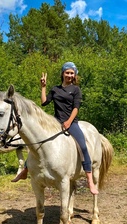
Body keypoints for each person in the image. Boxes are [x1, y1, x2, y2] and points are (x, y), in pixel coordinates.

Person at [12, 62, 98, 195]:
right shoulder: (55, 89)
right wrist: (43, 87)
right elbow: (44, 102)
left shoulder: (75, 90)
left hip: (71, 122)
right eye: (67, 72)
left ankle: (89, 180)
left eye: (72, 73)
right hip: (55, 122)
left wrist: (69, 122)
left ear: (74, 75)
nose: (69, 75)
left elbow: (76, 108)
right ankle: (26, 169)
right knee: (38, 143)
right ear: (63, 73)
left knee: (83, 146)